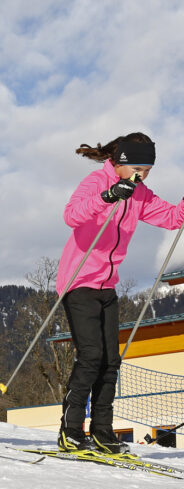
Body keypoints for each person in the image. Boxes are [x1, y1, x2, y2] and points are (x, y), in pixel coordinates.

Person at [57, 132, 184, 454]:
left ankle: (102, 431)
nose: (144, 176)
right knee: (91, 357)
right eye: (140, 168)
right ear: (123, 163)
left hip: (107, 285)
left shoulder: (140, 193)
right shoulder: (97, 181)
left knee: (111, 361)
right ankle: (70, 430)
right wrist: (109, 195)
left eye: (148, 170)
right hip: (80, 280)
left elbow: (173, 218)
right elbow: (71, 216)